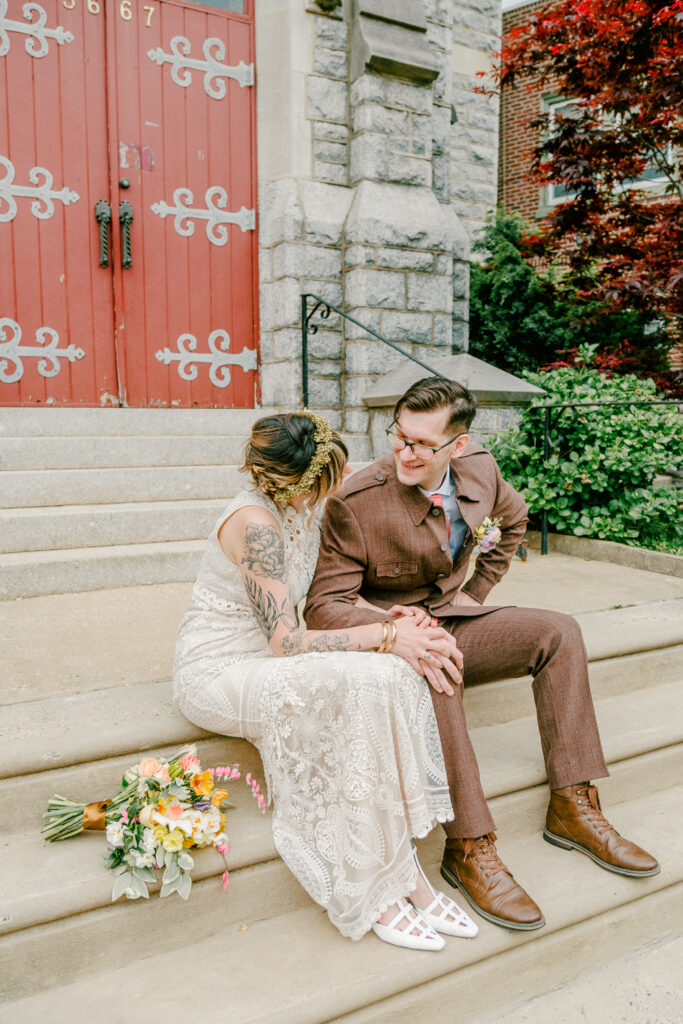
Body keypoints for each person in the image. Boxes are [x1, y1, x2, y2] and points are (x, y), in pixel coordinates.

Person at [305, 377, 660, 932]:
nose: (404, 451)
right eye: (399, 435)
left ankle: (573, 806)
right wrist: (394, 626)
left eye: (423, 444)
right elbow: (324, 606)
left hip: (455, 616)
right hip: (392, 643)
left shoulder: (482, 472)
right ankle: (468, 845)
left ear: (459, 445)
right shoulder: (357, 502)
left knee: (560, 632)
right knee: (437, 661)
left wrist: (474, 594)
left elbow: (512, 522)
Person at [172, 410, 480, 950]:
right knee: (367, 678)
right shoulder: (258, 525)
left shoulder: (299, 507)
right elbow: (286, 642)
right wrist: (384, 637)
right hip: (223, 667)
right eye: (326, 477)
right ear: (291, 481)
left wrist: (393, 619)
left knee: (386, 677)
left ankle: (406, 873)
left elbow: (316, 597)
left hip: (274, 653)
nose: (338, 484)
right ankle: (374, 885)